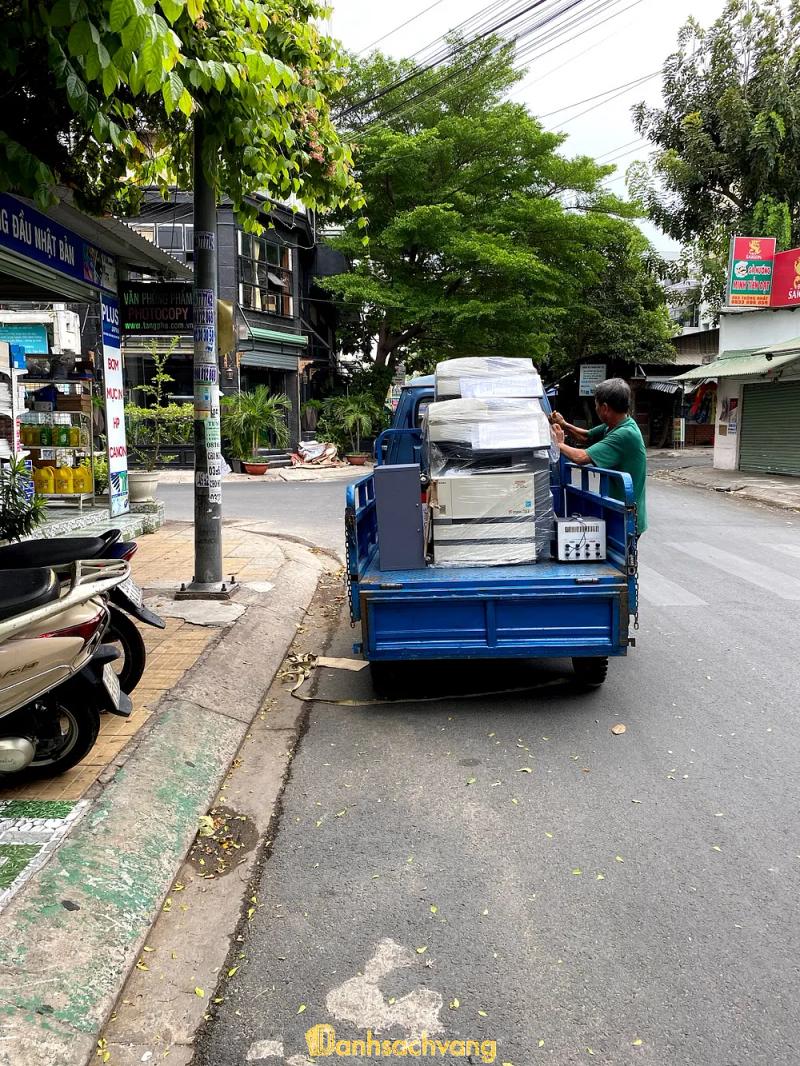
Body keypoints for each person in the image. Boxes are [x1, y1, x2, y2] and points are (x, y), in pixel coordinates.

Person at [549, 377, 647, 535]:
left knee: (621, 557)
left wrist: (558, 444)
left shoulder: (624, 433)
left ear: (605, 408)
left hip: (626, 515)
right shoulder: (615, 425)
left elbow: (581, 457)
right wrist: (564, 424)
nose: (595, 408)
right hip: (616, 507)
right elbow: (586, 436)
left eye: (596, 405)